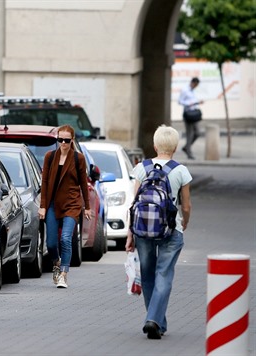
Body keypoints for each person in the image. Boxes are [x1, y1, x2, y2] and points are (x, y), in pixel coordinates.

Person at [126, 124, 192, 340]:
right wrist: (185, 223)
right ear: (175, 147)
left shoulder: (141, 168)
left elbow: (134, 204)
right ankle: (154, 321)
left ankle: (154, 320)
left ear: (155, 145)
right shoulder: (180, 170)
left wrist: (130, 235)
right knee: (163, 274)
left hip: (143, 229)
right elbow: (187, 206)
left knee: (148, 275)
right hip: (171, 230)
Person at [38, 124, 91, 289]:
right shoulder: (50, 156)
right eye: (60, 140)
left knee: (66, 238)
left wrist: (87, 207)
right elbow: (45, 182)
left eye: (66, 140)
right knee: (52, 244)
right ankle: (56, 262)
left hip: (72, 204)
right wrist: (43, 206)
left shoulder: (78, 158)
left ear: (72, 140)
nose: (63, 143)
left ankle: (63, 274)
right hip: (53, 204)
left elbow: (84, 183)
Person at [178, 77, 204, 159]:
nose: (196, 86)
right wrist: (190, 103)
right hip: (188, 114)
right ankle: (189, 152)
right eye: (195, 85)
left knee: (197, 133)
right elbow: (180, 101)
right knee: (190, 134)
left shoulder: (192, 91)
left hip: (194, 113)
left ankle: (186, 147)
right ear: (193, 83)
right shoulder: (185, 90)